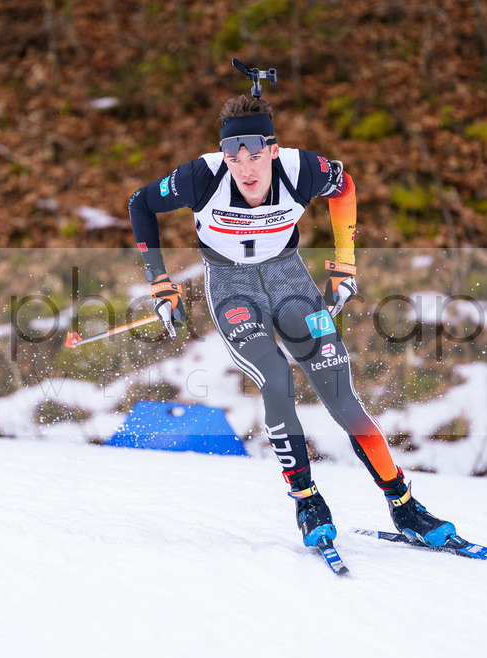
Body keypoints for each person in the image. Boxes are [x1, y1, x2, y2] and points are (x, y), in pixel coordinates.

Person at [128, 94, 457, 549]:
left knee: (341, 395)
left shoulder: (301, 170)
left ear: (273, 151)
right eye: (234, 157)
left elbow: (344, 188)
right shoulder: (200, 176)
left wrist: (346, 266)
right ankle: (306, 500)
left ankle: (404, 506)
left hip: (290, 280)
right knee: (277, 379)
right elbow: (139, 204)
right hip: (231, 288)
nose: (245, 170)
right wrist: (159, 282)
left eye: (256, 156)